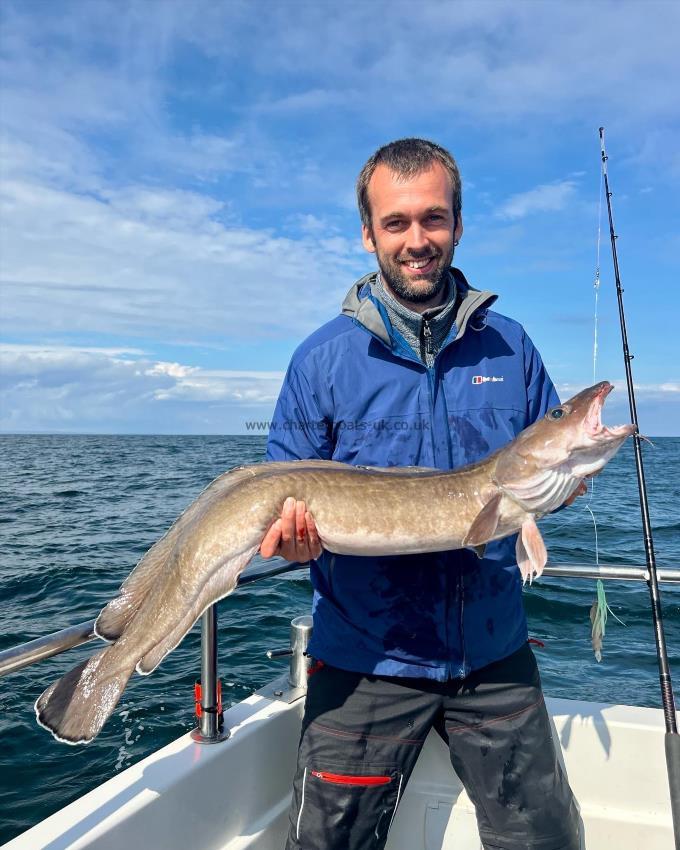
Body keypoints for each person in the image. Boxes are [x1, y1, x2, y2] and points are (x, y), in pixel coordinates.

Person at [261, 138, 582, 850]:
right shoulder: (321, 360)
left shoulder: (511, 346)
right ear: (369, 233)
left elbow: (543, 472)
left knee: (549, 839)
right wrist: (289, 537)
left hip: (495, 652)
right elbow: (280, 487)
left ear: (458, 226)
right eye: (397, 223)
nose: (417, 240)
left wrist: (564, 483)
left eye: (433, 219)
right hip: (364, 659)